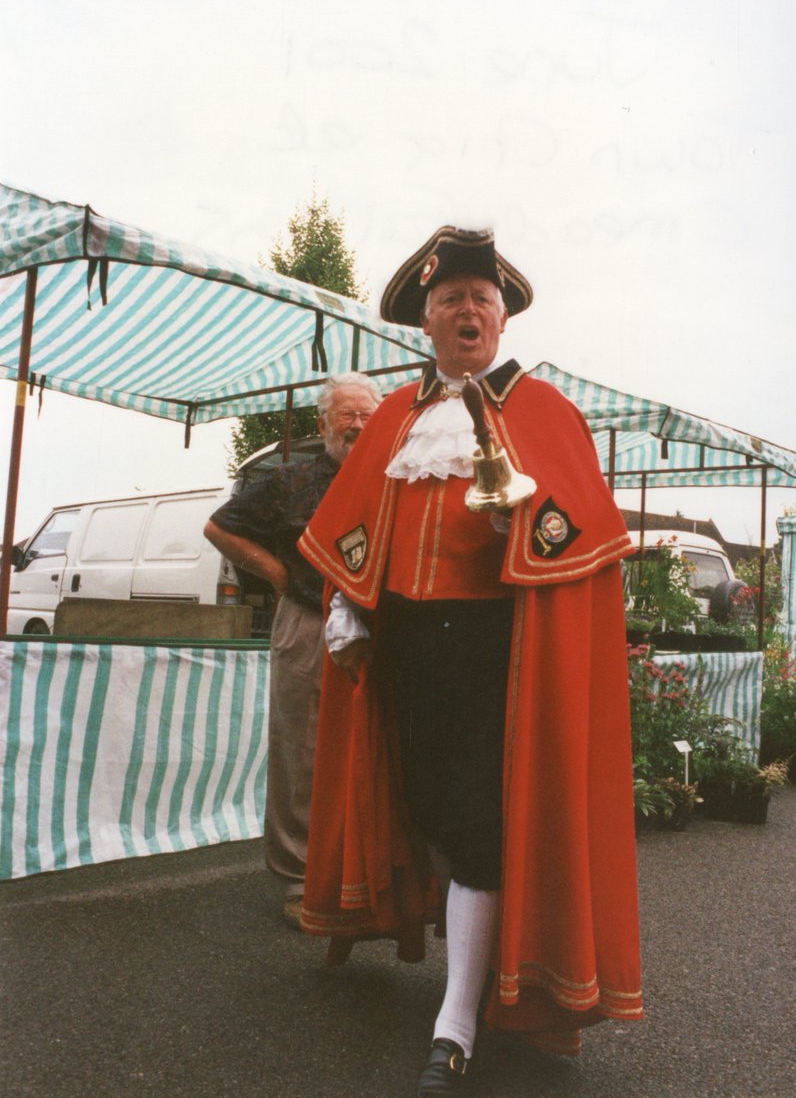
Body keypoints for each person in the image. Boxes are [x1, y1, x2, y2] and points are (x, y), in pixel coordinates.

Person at [297, 228, 642, 1095]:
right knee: (428, 810)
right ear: (425, 318)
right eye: (451, 298)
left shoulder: (544, 410)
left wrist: (520, 528)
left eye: (482, 299)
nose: (468, 309)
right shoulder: (395, 418)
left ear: (501, 318)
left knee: (481, 828)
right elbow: (356, 523)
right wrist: (346, 601)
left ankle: (455, 1023)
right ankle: (488, 972)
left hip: (498, 652)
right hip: (409, 648)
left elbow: (582, 529)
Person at [203, 372, 381, 926]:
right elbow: (219, 528)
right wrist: (279, 574)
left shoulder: (392, 480)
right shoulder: (291, 478)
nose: (356, 425)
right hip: (309, 619)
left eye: (366, 416)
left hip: (381, 627)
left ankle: (361, 873)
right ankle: (299, 880)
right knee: (300, 748)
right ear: (322, 423)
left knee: (371, 744)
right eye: (345, 415)